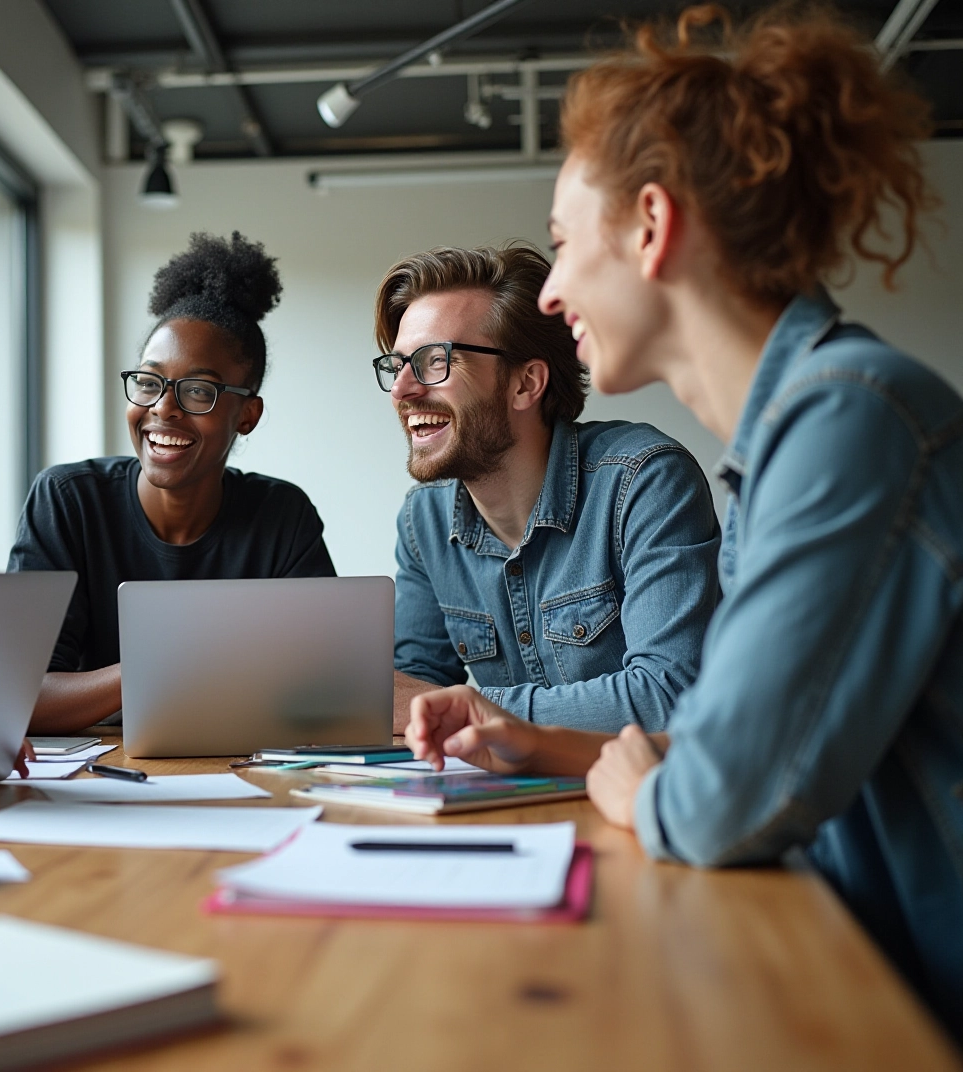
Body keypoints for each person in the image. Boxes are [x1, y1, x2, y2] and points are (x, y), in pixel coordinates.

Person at [406, 6, 962, 1040]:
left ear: (653, 227)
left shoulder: (846, 417)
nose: (553, 291)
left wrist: (643, 790)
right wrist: (550, 742)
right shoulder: (796, 431)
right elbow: (723, 735)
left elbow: (717, 796)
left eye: (565, 244)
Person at [380, 244, 719, 733]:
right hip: (506, 784)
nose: (401, 389)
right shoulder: (424, 521)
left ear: (526, 383)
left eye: (436, 361)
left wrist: (471, 710)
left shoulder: (644, 480)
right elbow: (410, 694)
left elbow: (668, 696)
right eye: (396, 366)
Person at [9, 231, 335, 733]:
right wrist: (164, 662)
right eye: (148, 382)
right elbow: (16, 697)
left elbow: (327, 687)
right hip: (103, 770)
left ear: (247, 415)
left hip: (238, 762)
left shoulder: (282, 516)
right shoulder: (69, 501)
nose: (163, 408)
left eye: (198, 390)